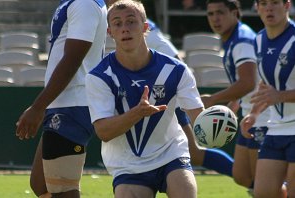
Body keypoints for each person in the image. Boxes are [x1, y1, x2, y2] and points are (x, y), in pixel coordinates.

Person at [85, 0, 204, 197]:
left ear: (145, 27)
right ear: (109, 32)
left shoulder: (176, 70)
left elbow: (198, 117)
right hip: (128, 164)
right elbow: (103, 131)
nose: (125, 28)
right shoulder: (99, 76)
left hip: (170, 154)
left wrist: (219, 121)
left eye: (131, 21)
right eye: (117, 23)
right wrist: (137, 113)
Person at [106, 0, 234, 177]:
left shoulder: (142, 26)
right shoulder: (116, 21)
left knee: (194, 152)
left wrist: (171, 88)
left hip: (165, 97)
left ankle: (252, 181)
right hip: (147, 97)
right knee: (194, 153)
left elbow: (175, 59)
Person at [15, 0, 107, 197]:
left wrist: (38, 107)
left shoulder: (84, 3)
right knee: (41, 184)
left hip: (73, 103)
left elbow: (72, 60)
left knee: (63, 190)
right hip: (65, 102)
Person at [203, 0, 270, 193]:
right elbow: (252, 79)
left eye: (220, 13)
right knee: (242, 176)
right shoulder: (234, 38)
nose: (215, 18)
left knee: (262, 183)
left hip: (264, 115)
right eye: (211, 14)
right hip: (250, 114)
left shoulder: (241, 41)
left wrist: (213, 99)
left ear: (234, 13)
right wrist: (236, 102)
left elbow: (248, 82)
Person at [241, 0, 295, 197]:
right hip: (276, 128)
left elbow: (276, 93)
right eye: (263, 3)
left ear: (287, 5)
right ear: (257, 7)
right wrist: (254, 114)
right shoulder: (259, 39)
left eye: (274, 2)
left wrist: (280, 96)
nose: (269, 8)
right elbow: (266, 85)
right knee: (262, 193)